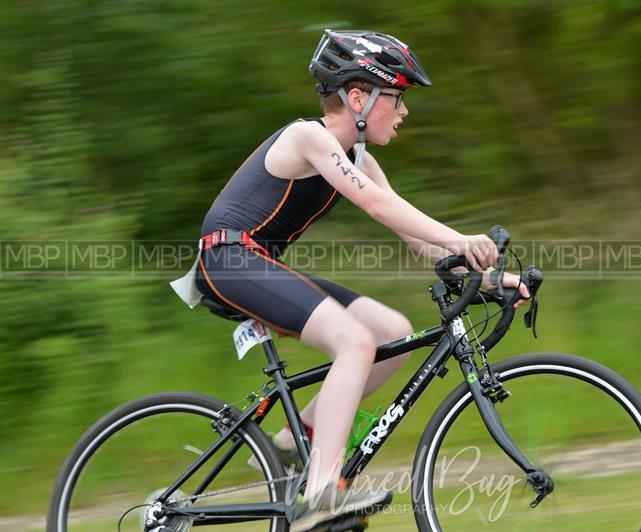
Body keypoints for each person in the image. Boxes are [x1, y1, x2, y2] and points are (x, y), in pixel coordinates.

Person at [193, 29, 529, 530]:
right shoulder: (308, 137)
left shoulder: (360, 160)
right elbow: (376, 204)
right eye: (397, 98)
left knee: (392, 332)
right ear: (358, 97)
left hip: (258, 262)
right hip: (228, 259)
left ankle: (295, 441)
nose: (404, 110)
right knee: (355, 339)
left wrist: (489, 278)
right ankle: (320, 494)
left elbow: (417, 236)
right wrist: (463, 238)